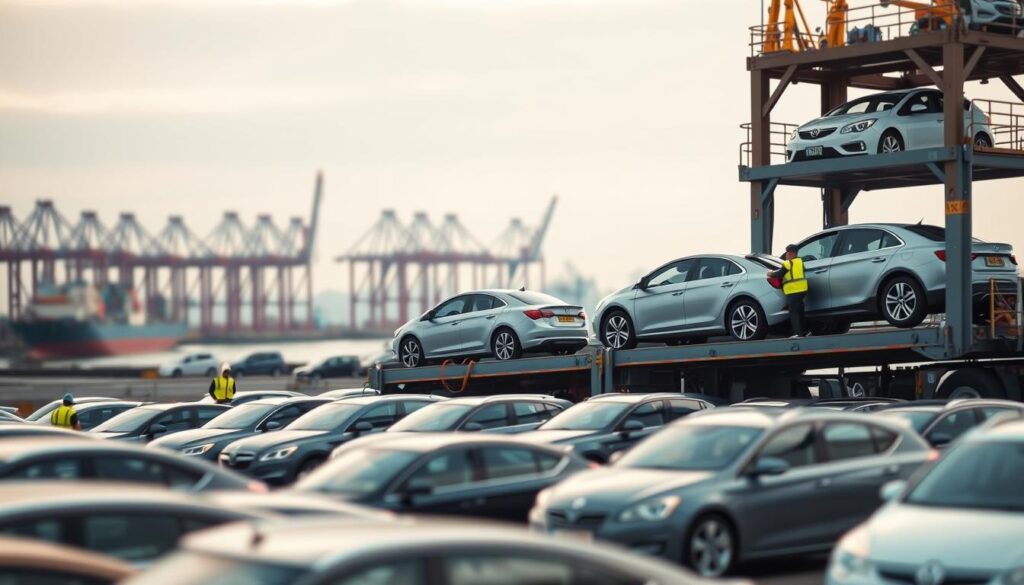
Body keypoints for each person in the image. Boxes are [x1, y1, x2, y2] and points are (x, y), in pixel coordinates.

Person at [771, 244, 809, 338]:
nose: (786, 255)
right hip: (802, 289)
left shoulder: (788, 263)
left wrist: (770, 273)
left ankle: (798, 333)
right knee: (800, 311)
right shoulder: (800, 262)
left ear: (791, 253)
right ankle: (804, 331)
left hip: (793, 290)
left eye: (787, 253)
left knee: (793, 312)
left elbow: (779, 274)